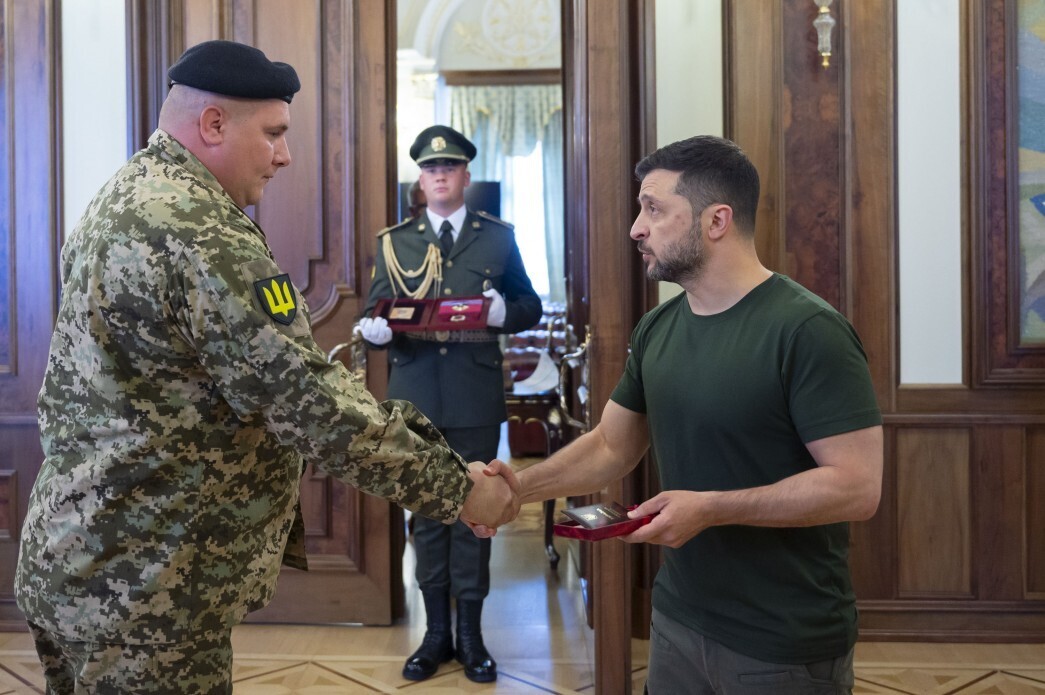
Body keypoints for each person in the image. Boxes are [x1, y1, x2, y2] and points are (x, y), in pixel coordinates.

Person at [15, 41, 518, 694]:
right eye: (274, 133)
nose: (285, 156)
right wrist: (456, 487)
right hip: (145, 591)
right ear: (214, 124)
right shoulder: (198, 229)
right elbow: (305, 400)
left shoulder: (125, 195)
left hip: (84, 558)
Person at [499, 135, 884, 694]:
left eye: (654, 209)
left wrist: (712, 508)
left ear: (717, 220)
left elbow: (857, 488)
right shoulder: (657, 328)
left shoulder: (809, 331)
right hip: (678, 621)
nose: (636, 228)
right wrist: (518, 489)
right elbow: (611, 445)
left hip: (782, 639)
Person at [356, 125, 543, 683]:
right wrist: (375, 335)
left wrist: (502, 315)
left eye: (449, 168)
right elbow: (374, 314)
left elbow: (529, 305)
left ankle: (471, 636)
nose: (439, 176)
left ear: (465, 176)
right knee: (426, 517)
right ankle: (435, 633)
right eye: (430, 169)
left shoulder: (497, 238)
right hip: (414, 398)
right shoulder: (395, 242)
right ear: (421, 180)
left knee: (476, 514)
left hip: (473, 395)